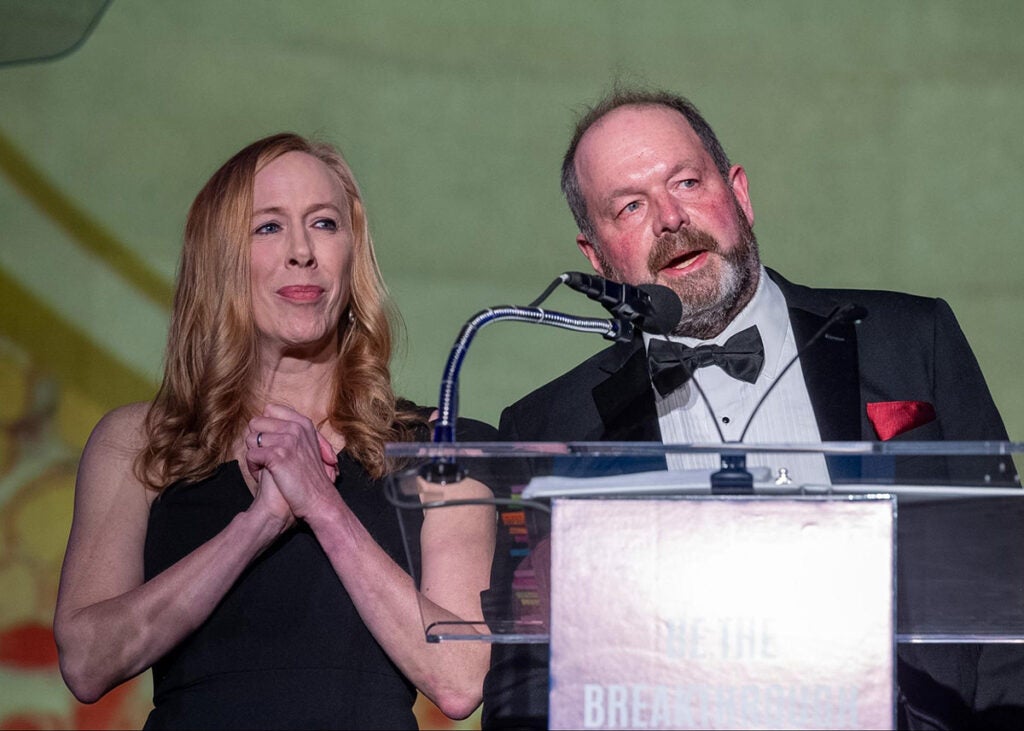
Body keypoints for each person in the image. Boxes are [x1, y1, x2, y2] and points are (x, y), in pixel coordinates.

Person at [481, 88, 1022, 730]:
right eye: (629, 206)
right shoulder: (550, 427)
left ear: (739, 193)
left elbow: (1007, 583)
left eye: (685, 181)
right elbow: (523, 683)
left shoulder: (912, 338)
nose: (669, 218)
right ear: (595, 257)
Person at [53, 132, 498, 729]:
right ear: (220, 259)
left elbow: (460, 679)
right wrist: (257, 524)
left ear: (351, 254)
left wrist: (323, 506)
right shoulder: (140, 441)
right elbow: (85, 662)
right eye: (267, 227)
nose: (302, 252)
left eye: (324, 224)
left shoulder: (445, 448)